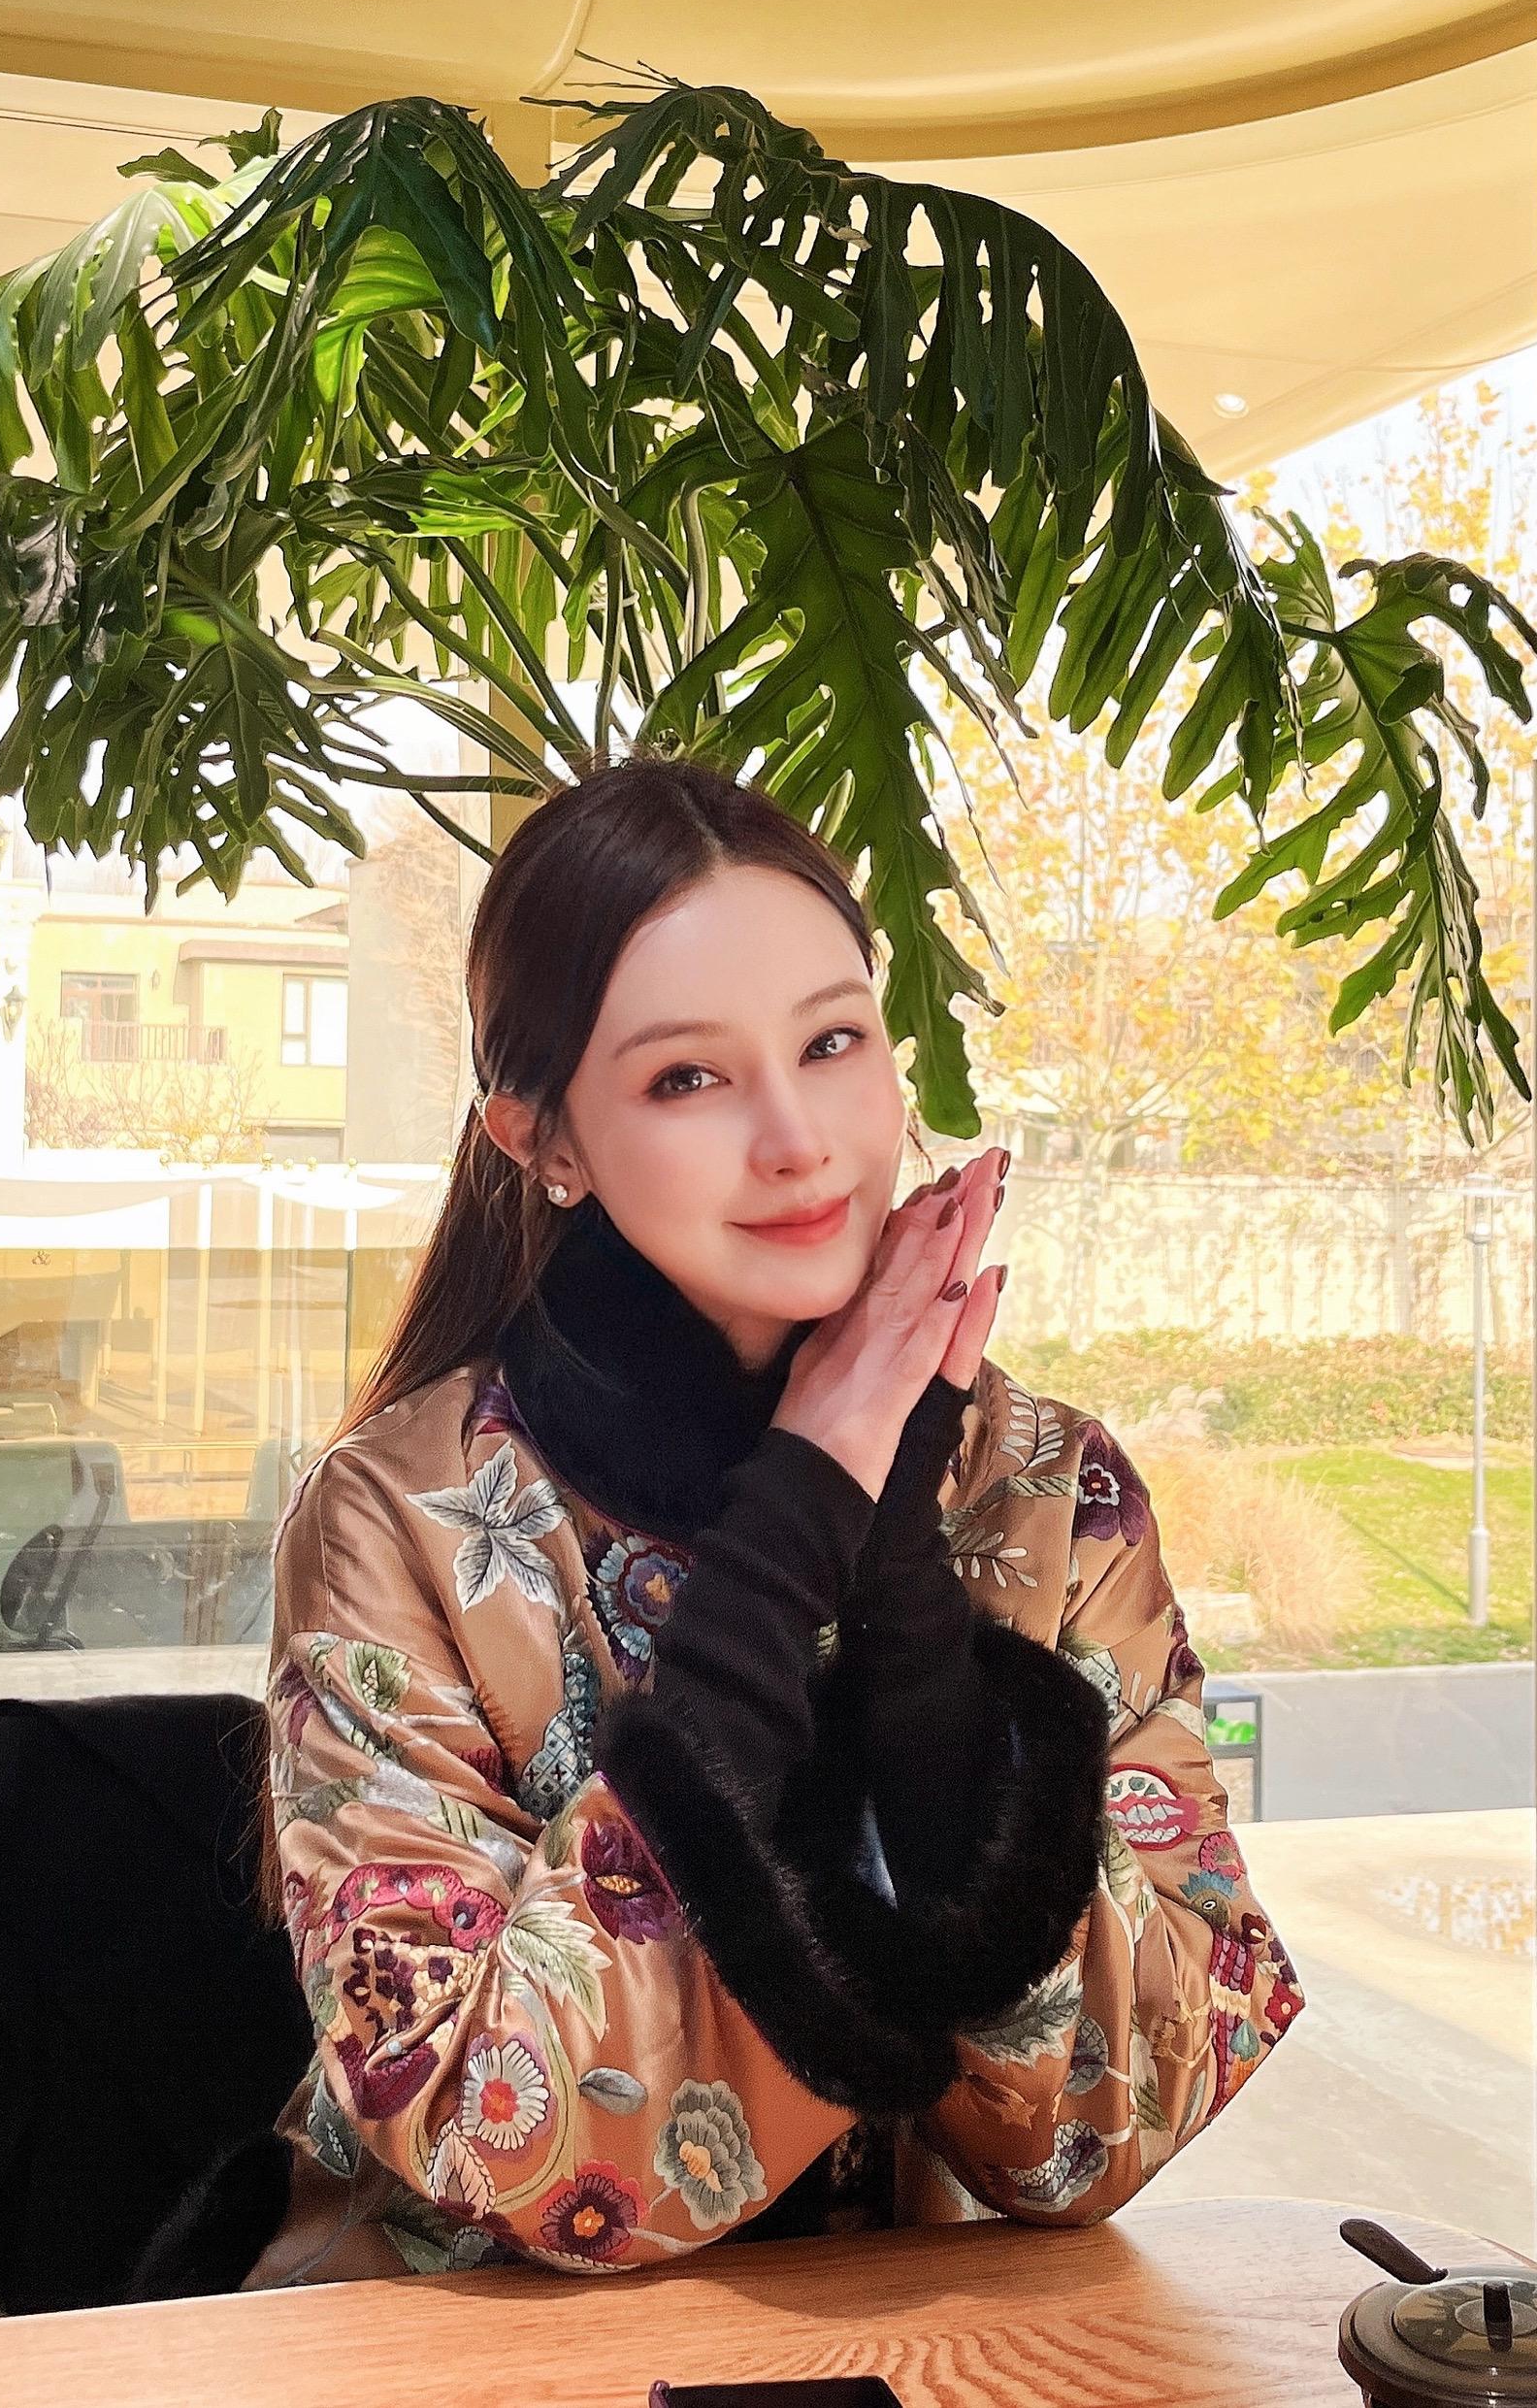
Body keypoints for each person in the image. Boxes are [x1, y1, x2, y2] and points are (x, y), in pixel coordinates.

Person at [242, 754, 1302, 2287]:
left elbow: (1102, 2131)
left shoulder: (1050, 1487)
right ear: (542, 1140)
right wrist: (799, 1507)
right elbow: (492, 2130)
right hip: (478, 2353)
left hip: (906, 2344)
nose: (799, 1137)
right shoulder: (394, 1519)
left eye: (832, 1039)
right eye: (688, 1077)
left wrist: (902, 1584)